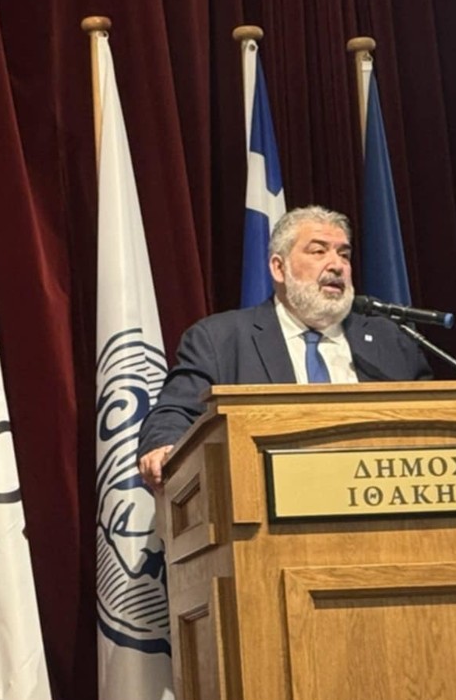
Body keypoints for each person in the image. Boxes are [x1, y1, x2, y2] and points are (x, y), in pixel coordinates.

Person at [137, 205, 432, 491]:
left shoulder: (390, 340)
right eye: (318, 251)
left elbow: (433, 417)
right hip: (264, 503)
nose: (337, 265)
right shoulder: (221, 339)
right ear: (279, 268)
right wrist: (164, 446)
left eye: (344, 254)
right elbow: (174, 412)